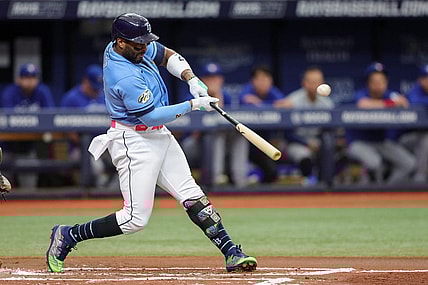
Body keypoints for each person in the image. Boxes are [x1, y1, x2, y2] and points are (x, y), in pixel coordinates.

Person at [46, 13, 257, 273]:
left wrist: (190, 79)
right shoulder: (122, 74)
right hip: (134, 140)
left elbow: (166, 55)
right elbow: (151, 114)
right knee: (135, 219)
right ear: (120, 42)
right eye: (138, 44)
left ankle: (231, 252)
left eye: (145, 42)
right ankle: (69, 235)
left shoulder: (131, 47)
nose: (144, 48)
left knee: (191, 194)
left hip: (158, 134)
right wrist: (193, 104)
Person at [181, 62, 250, 187]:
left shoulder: (226, 96)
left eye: (215, 78)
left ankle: (240, 180)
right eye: (208, 78)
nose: (212, 81)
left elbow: (225, 121)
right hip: (195, 144)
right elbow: (193, 131)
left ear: (221, 80)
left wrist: (218, 96)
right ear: (201, 80)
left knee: (238, 134)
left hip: (222, 145)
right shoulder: (193, 95)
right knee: (212, 135)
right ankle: (216, 179)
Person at [345, 62, 415, 184]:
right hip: (358, 142)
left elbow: (404, 102)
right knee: (375, 163)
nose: (379, 85)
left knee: (409, 163)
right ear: (369, 83)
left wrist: (398, 101)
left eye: (382, 81)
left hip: (381, 142)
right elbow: (363, 104)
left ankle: (389, 189)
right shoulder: (361, 94)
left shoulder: (389, 95)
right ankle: (367, 191)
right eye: (375, 82)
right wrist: (391, 103)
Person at [274, 66, 335, 185]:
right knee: (304, 155)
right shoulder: (293, 101)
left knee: (328, 147)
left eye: (317, 82)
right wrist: (306, 143)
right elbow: (287, 133)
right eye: (311, 82)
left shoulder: (327, 104)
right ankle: (308, 183)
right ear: (304, 83)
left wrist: (317, 143)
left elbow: (331, 129)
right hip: (296, 142)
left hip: (317, 141)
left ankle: (326, 184)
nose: (314, 85)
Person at [1, 63, 55, 188]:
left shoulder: (42, 91)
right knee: (3, 182)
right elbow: (6, 117)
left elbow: (51, 116)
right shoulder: (10, 92)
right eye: (26, 77)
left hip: (30, 144)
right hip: (8, 144)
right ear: (19, 79)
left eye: (33, 77)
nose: (30, 81)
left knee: (29, 184)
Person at [60, 64, 115, 188]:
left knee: (126, 157)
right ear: (85, 81)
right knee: (96, 166)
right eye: (93, 87)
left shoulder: (104, 96)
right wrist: (88, 145)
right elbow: (66, 128)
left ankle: (114, 190)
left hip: (106, 144)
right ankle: (99, 195)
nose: (96, 91)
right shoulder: (71, 98)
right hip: (81, 148)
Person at [239, 64, 285, 183]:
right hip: (249, 144)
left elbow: (284, 105)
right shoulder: (247, 91)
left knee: (272, 170)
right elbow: (246, 101)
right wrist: (271, 105)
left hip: (268, 141)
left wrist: (260, 103)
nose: (264, 82)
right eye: (260, 79)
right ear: (253, 81)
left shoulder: (272, 92)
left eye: (266, 78)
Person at [398, 64, 428, 182]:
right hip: (403, 139)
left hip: (419, 139)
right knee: (426, 139)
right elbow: (415, 103)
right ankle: (419, 178)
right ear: (420, 80)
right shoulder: (414, 92)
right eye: (426, 78)